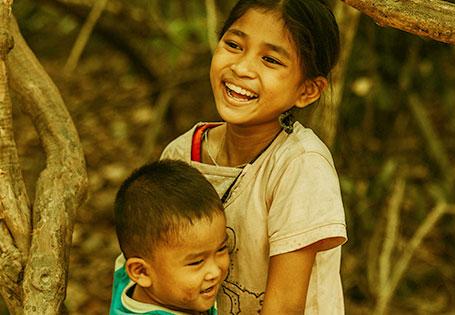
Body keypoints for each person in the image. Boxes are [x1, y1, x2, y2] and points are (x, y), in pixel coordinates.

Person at [161, 0, 347, 314]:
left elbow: (284, 308)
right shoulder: (181, 155)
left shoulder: (300, 166)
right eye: (233, 44)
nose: (242, 68)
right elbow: (152, 276)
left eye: (270, 60)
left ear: (307, 90)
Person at [110, 160, 229, 315]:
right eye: (197, 262)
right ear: (141, 272)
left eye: (221, 249)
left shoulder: (129, 271)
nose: (215, 272)